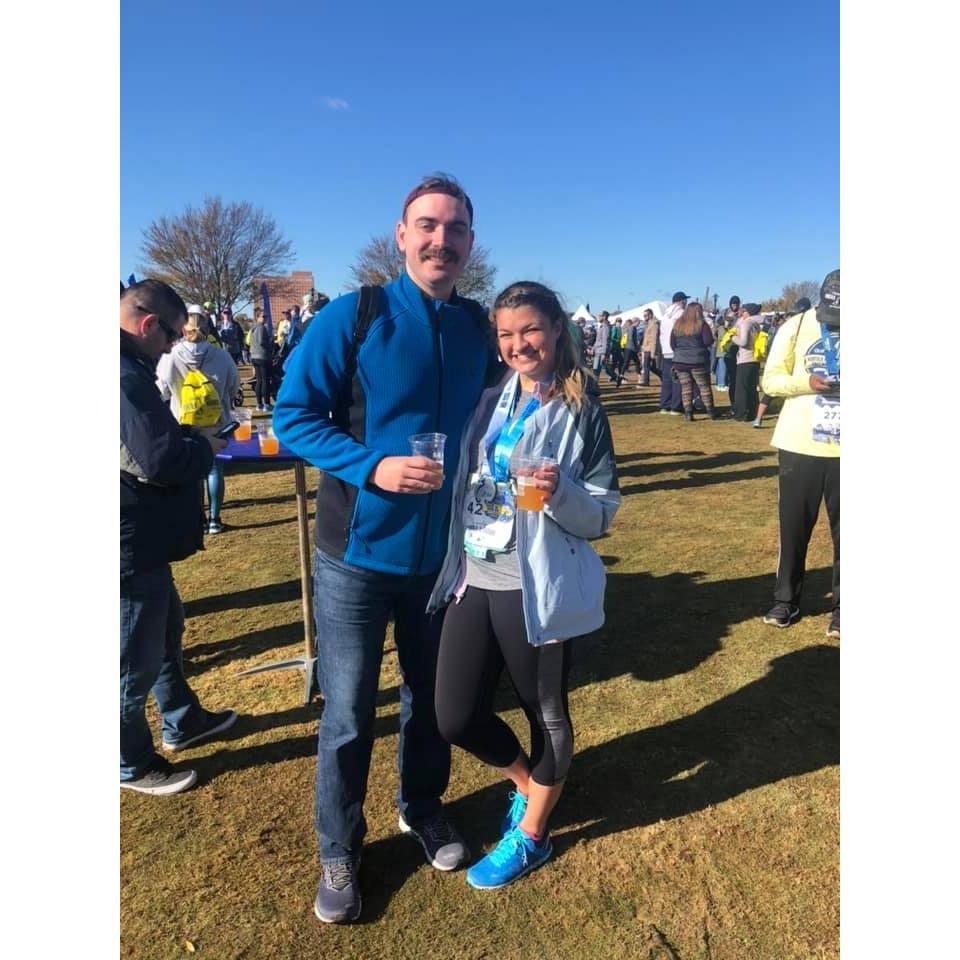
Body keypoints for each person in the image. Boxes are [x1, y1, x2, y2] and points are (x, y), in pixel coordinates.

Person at [273, 174, 497, 925]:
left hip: (443, 560)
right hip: (355, 558)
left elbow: (508, 411)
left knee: (431, 702)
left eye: (457, 229)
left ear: (470, 242)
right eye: (428, 226)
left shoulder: (476, 326)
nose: (442, 240)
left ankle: (422, 805)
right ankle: (339, 847)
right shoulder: (353, 315)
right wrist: (372, 464)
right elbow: (293, 416)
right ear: (401, 236)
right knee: (346, 712)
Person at [429, 280, 620, 889]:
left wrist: (560, 490)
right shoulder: (493, 398)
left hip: (535, 585)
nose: (519, 344)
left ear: (557, 328)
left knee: (546, 713)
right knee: (454, 716)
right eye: (507, 334)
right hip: (475, 575)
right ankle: (528, 784)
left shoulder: (584, 410)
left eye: (530, 330)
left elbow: (603, 514)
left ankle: (533, 835)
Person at [120, 280, 237, 796]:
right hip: (125, 538)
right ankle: (128, 762)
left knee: (166, 630)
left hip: (141, 534)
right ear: (149, 324)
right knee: (133, 656)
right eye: (169, 335)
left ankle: (182, 718)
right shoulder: (121, 375)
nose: (172, 345)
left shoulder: (129, 368)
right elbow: (161, 459)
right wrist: (205, 446)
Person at [760, 271, 840, 638]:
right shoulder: (795, 325)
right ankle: (785, 599)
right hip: (799, 443)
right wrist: (806, 383)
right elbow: (771, 379)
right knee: (793, 527)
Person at [156, 311, 241, 535]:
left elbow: (162, 389)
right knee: (214, 469)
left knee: (192, 470)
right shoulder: (221, 356)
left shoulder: (171, 356)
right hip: (216, 422)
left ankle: (198, 518)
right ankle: (215, 519)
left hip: (184, 421)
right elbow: (234, 386)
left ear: (184, 330)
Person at [669, 302, 716, 421]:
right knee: (704, 386)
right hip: (698, 360)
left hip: (680, 361)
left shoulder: (677, 324)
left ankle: (688, 413)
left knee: (686, 388)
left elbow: (672, 344)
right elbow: (708, 341)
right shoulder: (702, 325)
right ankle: (710, 411)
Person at [732, 303, 762, 422]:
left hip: (745, 358)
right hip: (755, 359)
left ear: (747, 312)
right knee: (752, 388)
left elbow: (743, 342)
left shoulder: (746, 323)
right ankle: (753, 412)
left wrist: (733, 338)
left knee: (741, 388)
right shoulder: (756, 324)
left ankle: (741, 414)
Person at [659, 291, 688, 413]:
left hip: (666, 350)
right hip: (677, 350)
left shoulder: (665, 315)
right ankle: (676, 406)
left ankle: (665, 404)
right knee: (678, 379)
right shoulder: (681, 314)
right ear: (681, 301)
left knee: (667, 379)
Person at [249, 309, 273, 411]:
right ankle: (266, 403)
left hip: (254, 356)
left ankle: (259, 404)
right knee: (265, 381)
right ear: (258, 317)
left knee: (259, 380)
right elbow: (261, 342)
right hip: (262, 356)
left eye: (266, 317)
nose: (265, 319)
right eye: (263, 317)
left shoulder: (253, 328)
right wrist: (270, 344)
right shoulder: (261, 328)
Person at [640, 307, 660, 386]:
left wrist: (653, 352)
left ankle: (646, 381)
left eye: (646, 315)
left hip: (650, 348)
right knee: (649, 366)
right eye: (644, 316)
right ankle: (661, 377)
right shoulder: (647, 324)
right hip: (646, 348)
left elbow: (654, 338)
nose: (644, 317)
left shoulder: (654, 324)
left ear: (650, 315)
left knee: (648, 366)